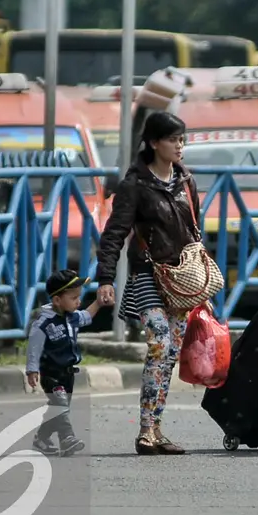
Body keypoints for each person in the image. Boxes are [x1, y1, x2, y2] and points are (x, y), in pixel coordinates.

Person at [95, 111, 199, 456]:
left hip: (181, 281)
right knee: (159, 343)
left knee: (169, 354)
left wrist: (201, 282)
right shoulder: (135, 185)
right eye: (173, 139)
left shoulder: (186, 181)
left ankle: (156, 428)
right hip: (147, 276)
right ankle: (144, 431)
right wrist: (105, 278)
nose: (179, 146)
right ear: (154, 143)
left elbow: (195, 233)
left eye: (182, 139)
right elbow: (114, 234)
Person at [26, 269, 107, 457]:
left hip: (68, 373)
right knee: (60, 404)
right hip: (51, 372)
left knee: (58, 409)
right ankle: (67, 439)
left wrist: (98, 303)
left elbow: (87, 316)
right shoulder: (43, 323)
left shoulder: (72, 317)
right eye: (73, 298)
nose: (78, 302)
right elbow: (34, 347)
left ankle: (41, 439)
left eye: (79, 297)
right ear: (57, 300)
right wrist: (32, 369)